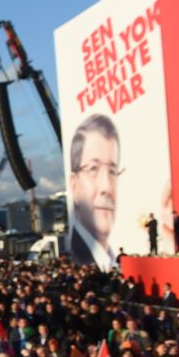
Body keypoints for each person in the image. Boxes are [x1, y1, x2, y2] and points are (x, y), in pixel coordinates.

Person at [68, 114, 121, 270]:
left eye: (112, 171)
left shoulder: (111, 259)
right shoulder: (80, 258)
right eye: (93, 169)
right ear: (74, 183)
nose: (106, 187)